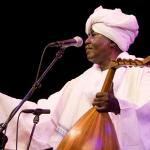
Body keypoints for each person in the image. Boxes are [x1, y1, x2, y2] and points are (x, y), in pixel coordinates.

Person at [0, 5, 150, 150]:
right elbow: (45, 115)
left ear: (112, 41)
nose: (87, 41)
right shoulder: (78, 83)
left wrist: (119, 106)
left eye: (93, 35)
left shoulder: (140, 73)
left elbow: (146, 112)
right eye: (88, 36)